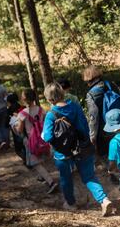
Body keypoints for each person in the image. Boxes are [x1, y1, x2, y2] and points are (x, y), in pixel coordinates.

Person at [41, 82, 113, 215]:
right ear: (62, 93)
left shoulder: (51, 115)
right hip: (82, 148)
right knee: (89, 176)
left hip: (63, 153)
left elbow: (47, 137)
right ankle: (104, 200)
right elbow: (84, 126)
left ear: (49, 99)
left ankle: (70, 204)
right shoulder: (75, 107)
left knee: (66, 178)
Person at [13, 88, 58, 194]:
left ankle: (51, 182)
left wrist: (14, 126)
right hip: (42, 138)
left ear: (23, 99)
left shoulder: (23, 113)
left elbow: (19, 130)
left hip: (31, 141)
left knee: (35, 163)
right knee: (42, 158)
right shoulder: (41, 109)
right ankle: (43, 176)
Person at [84, 66, 120, 158]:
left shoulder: (91, 94)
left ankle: (112, 171)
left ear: (88, 79)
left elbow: (93, 117)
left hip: (105, 130)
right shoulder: (113, 85)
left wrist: (92, 136)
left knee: (108, 156)